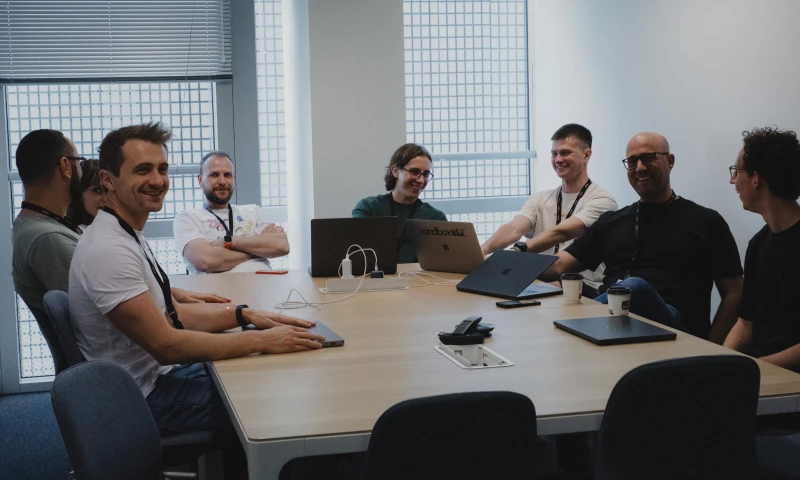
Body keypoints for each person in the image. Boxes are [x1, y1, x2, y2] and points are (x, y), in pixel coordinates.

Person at [68, 124, 324, 478]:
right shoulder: (109, 250)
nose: (157, 180)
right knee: (277, 396)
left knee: (262, 369)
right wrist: (262, 340)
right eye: (142, 170)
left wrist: (244, 315)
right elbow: (167, 345)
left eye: (162, 168)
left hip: (155, 379)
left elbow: (170, 314)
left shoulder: (125, 234)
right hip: (147, 399)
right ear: (108, 180)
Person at [542, 132, 743, 342]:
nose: (639, 168)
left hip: (675, 333)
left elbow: (734, 292)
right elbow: (559, 265)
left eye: (648, 158)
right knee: (568, 284)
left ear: (670, 161)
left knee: (634, 288)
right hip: (612, 324)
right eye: (632, 162)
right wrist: (520, 264)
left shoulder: (706, 222)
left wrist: (712, 346)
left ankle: (575, 327)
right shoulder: (612, 222)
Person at [480, 124, 617, 294]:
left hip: (582, 286)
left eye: (565, 153)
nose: (558, 159)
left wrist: (516, 252)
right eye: (554, 154)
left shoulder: (603, 200)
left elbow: (561, 233)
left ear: (586, 154)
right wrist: (482, 251)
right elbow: (514, 228)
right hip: (541, 281)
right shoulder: (540, 199)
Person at [724, 127, 800, 371]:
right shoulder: (758, 244)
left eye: (736, 172)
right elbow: (746, 322)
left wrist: (755, 368)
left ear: (755, 179)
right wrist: (721, 361)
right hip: (759, 370)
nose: (733, 181)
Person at [12, 129, 85, 352]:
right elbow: (98, 319)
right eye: (79, 162)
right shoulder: (48, 239)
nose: (82, 170)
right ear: (65, 166)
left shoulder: (35, 223)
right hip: (117, 365)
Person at [173, 151, 289, 274]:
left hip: (264, 284)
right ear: (200, 180)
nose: (222, 181)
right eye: (214, 175)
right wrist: (259, 248)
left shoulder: (254, 211)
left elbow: (282, 246)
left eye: (227, 175)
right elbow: (204, 261)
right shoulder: (187, 218)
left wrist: (226, 242)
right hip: (216, 287)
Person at [352, 143, 447, 263]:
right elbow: (356, 253)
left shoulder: (436, 218)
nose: (421, 180)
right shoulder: (369, 208)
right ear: (395, 171)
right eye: (414, 172)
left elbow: (444, 263)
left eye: (426, 174)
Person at [66, 158, 106, 229]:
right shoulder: (75, 232)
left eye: (109, 190)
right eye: (97, 190)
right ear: (80, 193)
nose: (105, 199)